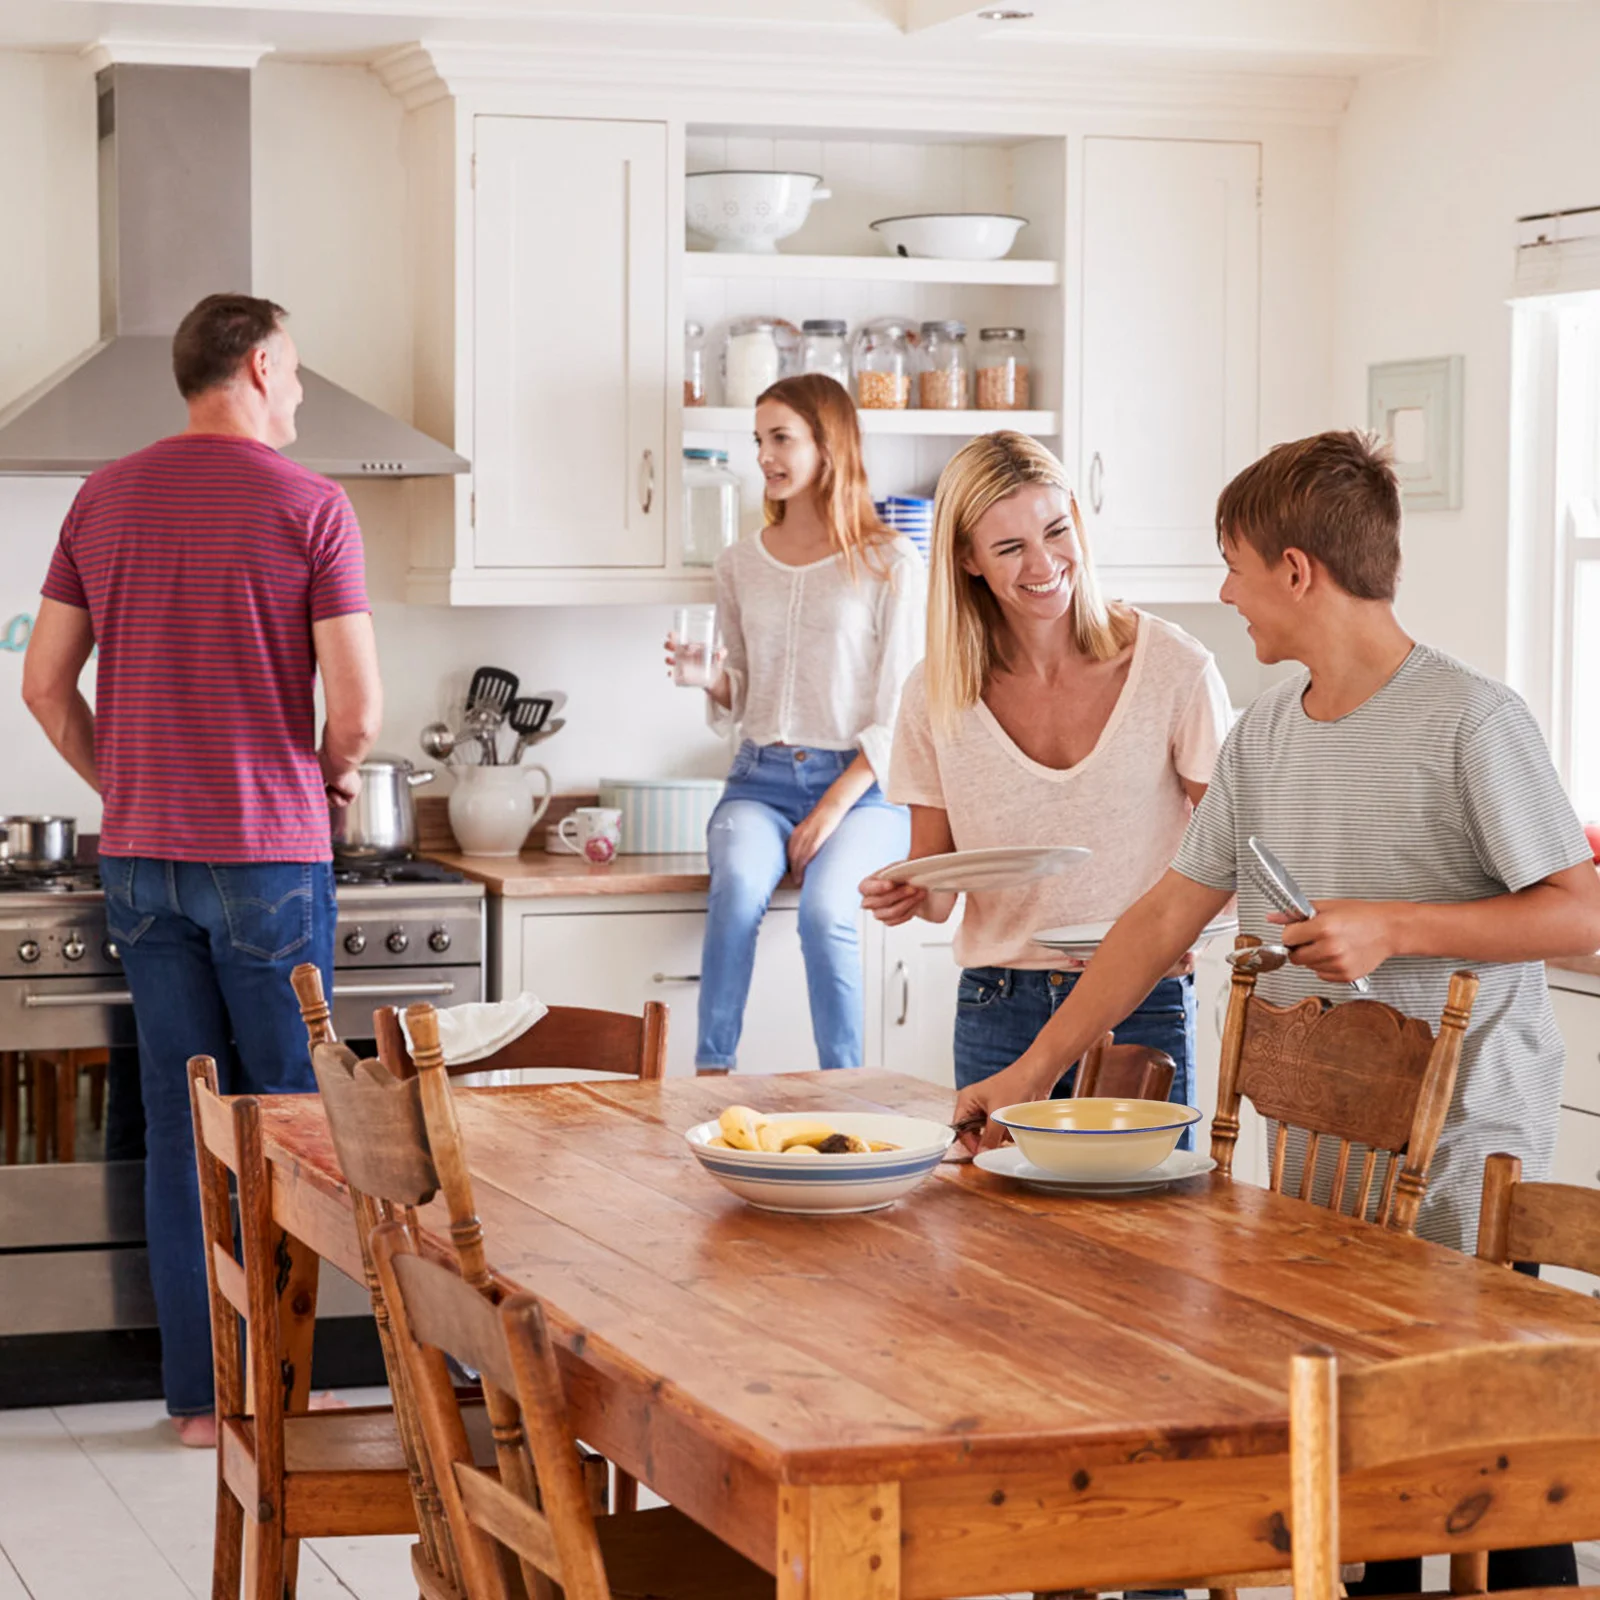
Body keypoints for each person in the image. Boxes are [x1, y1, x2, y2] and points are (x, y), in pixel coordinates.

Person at [950, 428, 1600, 1589]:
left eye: (1234, 563)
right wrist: (1031, 1069)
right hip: (1328, 1159)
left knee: (1477, 1468)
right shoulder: (1264, 734)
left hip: (1459, 1151)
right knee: (1365, 1485)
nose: (1223, 590)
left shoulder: (1470, 719)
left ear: (1296, 571)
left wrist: (1398, 924)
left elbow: (1579, 910)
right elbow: (1159, 919)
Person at [22, 292, 382, 1447]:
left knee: (184, 1127)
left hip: (140, 858)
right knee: (286, 1121)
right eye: (299, 369)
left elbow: (41, 685)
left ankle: (197, 1401)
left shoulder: (101, 496)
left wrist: (121, 783)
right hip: (268, 858)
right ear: (263, 365)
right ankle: (279, 1391)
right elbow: (360, 708)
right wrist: (325, 778)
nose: (304, 392)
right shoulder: (310, 505)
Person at [859, 431, 1231, 1140]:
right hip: (999, 1000)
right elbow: (940, 892)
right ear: (967, 560)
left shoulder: (1174, 668)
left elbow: (1232, 849)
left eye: (1056, 531)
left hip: (1138, 1003)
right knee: (996, 1236)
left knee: (1143, 1237)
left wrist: (1197, 927)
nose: (1044, 564)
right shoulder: (935, 692)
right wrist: (906, 892)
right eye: (1009, 548)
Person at [668, 374, 924, 1073]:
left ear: (828, 445)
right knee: (738, 892)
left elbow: (903, 707)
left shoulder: (889, 562)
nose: (765, 456)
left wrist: (831, 810)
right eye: (759, 440)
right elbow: (744, 686)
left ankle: (844, 1088)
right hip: (761, 780)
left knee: (823, 913)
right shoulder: (739, 564)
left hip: (866, 790)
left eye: (781, 438)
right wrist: (709, 678)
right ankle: (710, 1075)